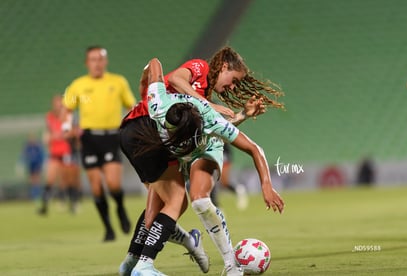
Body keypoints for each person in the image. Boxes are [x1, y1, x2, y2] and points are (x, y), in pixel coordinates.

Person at [119, 47, 284, 275]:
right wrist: (206, 104)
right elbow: (176, 78)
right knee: (170, 204)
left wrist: (240, 116)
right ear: (224, 66)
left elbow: (218, 130)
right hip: (154, 136)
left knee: (185, 202)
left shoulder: (171, 108)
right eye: (234, 80)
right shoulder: (199, 72)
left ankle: (134, 261)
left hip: (158, 137)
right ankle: (151, 260)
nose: (233, 88)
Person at [62, 46, 136, 241]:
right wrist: (66, 128)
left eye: (100, 59)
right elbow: (67, 109)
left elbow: (131, 105)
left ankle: (120, 207)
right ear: (87, 63)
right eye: (93, 59)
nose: (97, 63)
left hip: (112, 136)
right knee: (95, 187)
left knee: (113, 183)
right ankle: (108, 228)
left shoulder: (118, 82)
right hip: (89, 138)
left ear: (106, 61)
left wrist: (132, 125)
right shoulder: (78, 85)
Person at [38, 95, 76, 215]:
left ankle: (72, 204)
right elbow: (48, 133)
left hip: (66, 152)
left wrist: (61, 135)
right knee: (50, 179)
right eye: (56, 104)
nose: (58, 106)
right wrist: (48, 138)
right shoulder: (49, 117)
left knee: (67, 180)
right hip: (54, 153)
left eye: (60, 104)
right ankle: (44, 206)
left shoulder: (68, 117)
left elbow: (72, 132)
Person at [21, 132, 45, 201]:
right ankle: (34, 195)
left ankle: (38, 195)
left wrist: (42, 163)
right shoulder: (27, 146)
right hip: (31, 165)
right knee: (32, 180)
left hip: (37, 164)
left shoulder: (37, 146)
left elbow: (42, 155)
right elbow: (24, 155)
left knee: (37, 180)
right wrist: (22, 164)